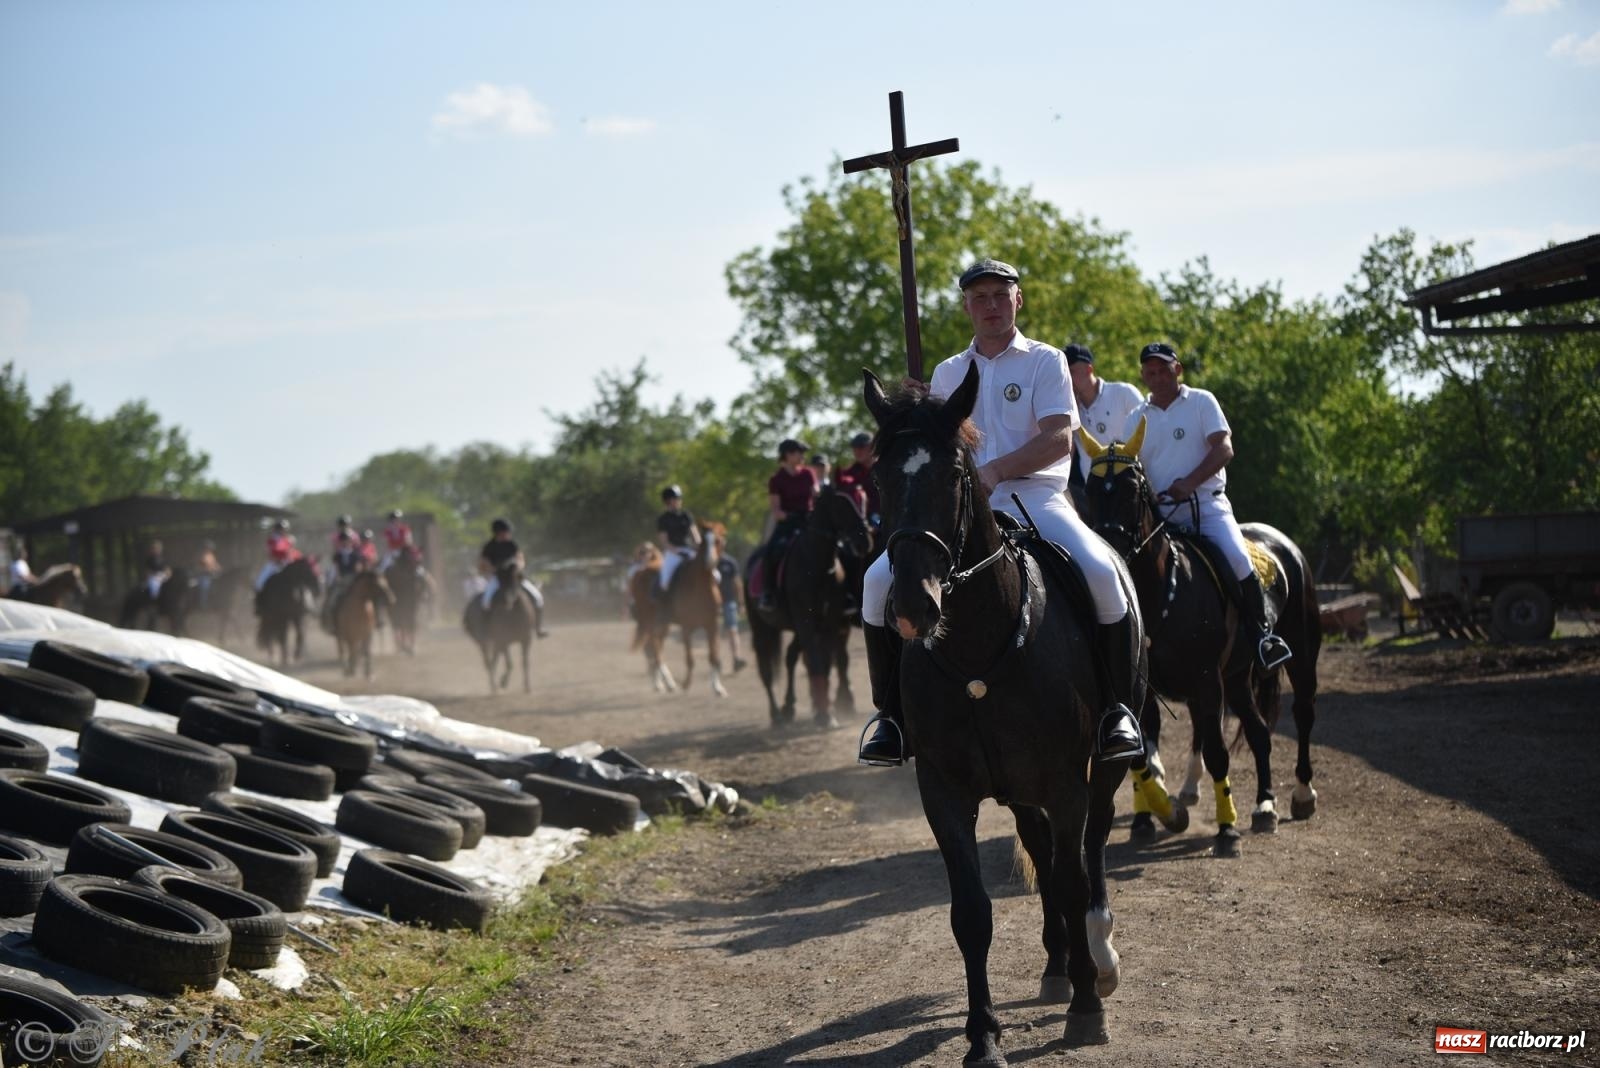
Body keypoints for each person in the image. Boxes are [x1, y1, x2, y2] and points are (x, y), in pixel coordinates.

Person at [857, 258, 1143, 767]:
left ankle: (1116, 710)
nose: (990, 305)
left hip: (1037, 499)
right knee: (876, 582)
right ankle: (892, 717)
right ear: (966, 306)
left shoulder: (1046, 361)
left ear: (1018, 300)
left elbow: (1059, 437)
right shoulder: (947, 372)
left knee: (1101, 573)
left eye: (999, 295)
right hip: (963, 509)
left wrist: (995, 471)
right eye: (979, 297)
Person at [1126, 341, 1292, 669]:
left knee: (1238, 559)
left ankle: (1262, 637)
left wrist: (1189, 483)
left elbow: (1224, 448)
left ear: (1178, 369)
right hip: (1160, 517)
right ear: (1143, 375)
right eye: (1151, 372)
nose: (1157, 378)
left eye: (1164, 370)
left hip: (1207, 507)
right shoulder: (1135, 417)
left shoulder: (1201, 401)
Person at [1064, 343, 1143, 517]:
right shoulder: (1068, 408)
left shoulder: (1124, 393)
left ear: (1089, 369)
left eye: (1071, 372)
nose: (1067, 378)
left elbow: (1149, 436)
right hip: (1094, 496)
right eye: (1064, 374)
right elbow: (1066, 454)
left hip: (1131, 491)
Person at [757, 439, 817, 613]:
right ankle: (768, 593)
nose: (803, 456)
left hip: (809, 521)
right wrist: (790, 516)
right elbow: (776, 511)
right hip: (788, 524)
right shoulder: (776, 480)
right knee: (771, 551)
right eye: (800, 452)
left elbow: (816, 497)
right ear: (788, 454)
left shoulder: (808, 474)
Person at [477, 518, 549, 638]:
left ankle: (538, 628)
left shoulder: (512, 544)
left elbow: (520, 559)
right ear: (498, 533)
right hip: (498, 579)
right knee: (486, 602)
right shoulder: (489, 547)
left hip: (515, 577)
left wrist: (517, 567)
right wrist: (493, 569)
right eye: (505, 532)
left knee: (537, 597)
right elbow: (483, 564)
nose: (508, 534)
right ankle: (486, 631)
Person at [654, 485, 701, 600]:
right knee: (665, 581)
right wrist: (678, 552)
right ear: (668, 501)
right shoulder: (663, 519)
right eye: (676, 498)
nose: (679, 500)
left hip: (689, 551)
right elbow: (664, 542)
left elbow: (696, 536)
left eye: (679, 498)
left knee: (716, 575)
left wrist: (699, 548)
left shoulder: (686, 515)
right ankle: (666, 604)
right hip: (673, 553)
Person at [714, 532, 748, 672]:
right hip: (713, 604)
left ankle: (736, 658)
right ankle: (716, 661)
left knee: (733, 630)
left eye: (721, 544)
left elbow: (737, 583)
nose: (720, 547)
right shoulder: (709, 563)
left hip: (728, 601)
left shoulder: (730, 562)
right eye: (717, 544)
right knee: (715, 633)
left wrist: (741, 603)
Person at [840, 431, 881, 531]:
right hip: (858, 525)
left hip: (885, 519)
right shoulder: (848, 474)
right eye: (854, 447)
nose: (857, 451)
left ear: (873, 447)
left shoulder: (884, 469)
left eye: (861, 447)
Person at [254, 520, 299, 593]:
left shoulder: (288, 540)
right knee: (259, 583)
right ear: (276, 529)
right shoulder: (271, 540)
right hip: (274, 564)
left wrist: (289, 560)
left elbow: (291, 553)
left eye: (284, 529)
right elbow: (270, 554)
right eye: (281, 529)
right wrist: (277, 561)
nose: (283, 531)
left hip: (286, 563)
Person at [194, 540, 222, 610]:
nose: (210, 549)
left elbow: (215, 564)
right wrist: (208, 569)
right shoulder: (200, 556)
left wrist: (218, 568)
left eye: (211, 548)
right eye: (208, 548)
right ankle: (203, 605)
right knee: (205, 586)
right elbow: (199, 567)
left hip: (211, 575)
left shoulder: (211, 555)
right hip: (203, 575)